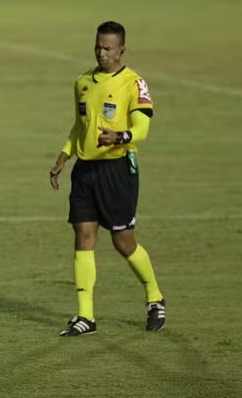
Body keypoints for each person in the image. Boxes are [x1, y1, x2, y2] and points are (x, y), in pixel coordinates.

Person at [49, 21, 166, 336]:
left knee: (123, 242)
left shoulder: (134, 83)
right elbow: (79, 127)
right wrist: (63, 156)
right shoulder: (82, 82)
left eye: (108, 48)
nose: (102, 53)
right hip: (85, 171)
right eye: (98, 47)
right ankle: (85, 316)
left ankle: (155, 298)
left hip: (116, 171)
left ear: (122, 50)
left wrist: (121, 136)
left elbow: (142, 127)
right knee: (83, 237)